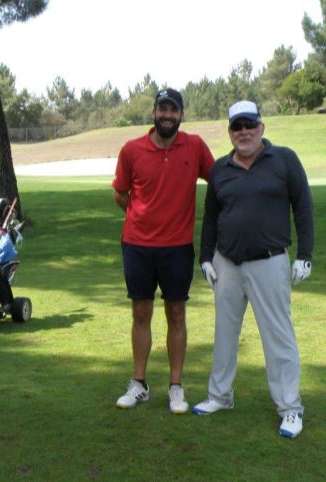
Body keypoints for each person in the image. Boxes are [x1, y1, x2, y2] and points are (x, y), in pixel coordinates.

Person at [192, 100, 314, 439]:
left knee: (278, 337)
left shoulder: (284, 160)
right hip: (227, 263)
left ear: (261, 127)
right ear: (229, 132)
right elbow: (212, 218)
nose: (243, 132)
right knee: (224, 335)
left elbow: (303, 207)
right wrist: (205, 257)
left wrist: (305, 254)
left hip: (270, 261)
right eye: (237, 126)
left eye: (249, 125)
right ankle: (220, 395)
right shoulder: (219, 169)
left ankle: (290, 408)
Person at [113, 88, 214, 413]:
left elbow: (220, 180)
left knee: (177, 314)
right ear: (154, 113)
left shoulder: (195, 146)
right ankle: (139, 384)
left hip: (177, 248)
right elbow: (120, 192)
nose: (167, 115)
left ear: (181, 114)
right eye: (162, 109)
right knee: (140, 314)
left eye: (173, 110)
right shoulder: (132, 149)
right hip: (138, 247)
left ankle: (175, 387)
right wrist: (142, 215)